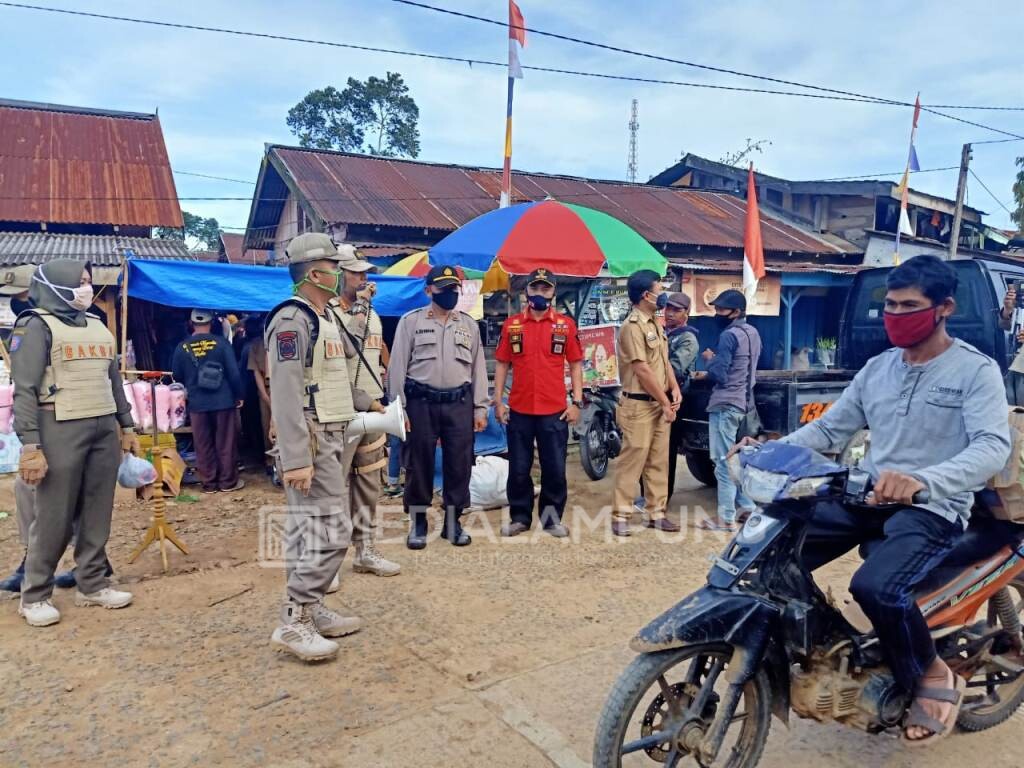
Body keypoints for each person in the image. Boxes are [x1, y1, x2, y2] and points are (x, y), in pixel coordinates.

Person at [736, 255, 1010, 745]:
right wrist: (771, 450)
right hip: (868, 496)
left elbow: (991, 447)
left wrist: (923, 481)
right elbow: (829, 428)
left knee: (877, 587)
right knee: (770, 552)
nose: (896, 315)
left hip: (933, 507)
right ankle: (835, 646)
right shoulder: (878, 368)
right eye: (890, 305)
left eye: (910, 305)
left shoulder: (975, 371)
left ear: (944, 308)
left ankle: (930, 673)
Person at [265, 232, 383, 662]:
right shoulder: (292, 321)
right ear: (315, 274)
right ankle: (294, 619)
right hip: (313, 440)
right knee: (332, 533)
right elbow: (285, 390)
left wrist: (372, 404)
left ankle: (311, 610)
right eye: (335, 268)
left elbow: (333, 380)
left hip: (333, 433)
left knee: (317, 531)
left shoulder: (324, 318)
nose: (342, 275)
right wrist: (296, 458)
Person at [12, 259, 139, 627]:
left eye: (87, 281)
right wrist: (31, 445)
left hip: (102, 424)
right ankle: (35, 594)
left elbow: (113, 380)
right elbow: (24, 390)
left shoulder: (99, 325)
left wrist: (126, 426)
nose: (86, 288)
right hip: (59, 423)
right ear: (54, 286)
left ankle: (93, 583)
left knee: (99, 509)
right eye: (79, 282)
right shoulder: (35, 325)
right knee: (53, 514)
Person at [388, 265, 489, 549]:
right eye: (443, 289)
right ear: (428, 290)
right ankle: (418, 522)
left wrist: (480, 408)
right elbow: (397, 368)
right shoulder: (411, 322)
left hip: (459, 403)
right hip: (420, 403)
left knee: (459, 464)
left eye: (454, 289)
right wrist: (399, 409)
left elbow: (478, 369)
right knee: (418, 463)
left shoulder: (468, 324)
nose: (449, 294)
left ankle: (453, 523)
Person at [494, 269, 584, 538]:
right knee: (519, 469)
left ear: (553, 292)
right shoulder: (512, 325)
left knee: (555, 468)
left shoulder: (565, 325)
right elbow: (501, 363)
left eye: (545, 289)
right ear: (526, 292)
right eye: (535, 289)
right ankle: (520, 517)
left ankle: (551, 519)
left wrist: (576, 402)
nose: (540, 294)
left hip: (555, 411)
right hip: (519, 409)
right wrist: (498, 402)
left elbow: (576, 364)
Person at [328, 245, 401, 577]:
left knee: (369, 482)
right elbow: (345, 352)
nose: (363, 278)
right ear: (338, 274)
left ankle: (365, 550)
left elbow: (377, 352)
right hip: (339, 409)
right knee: (330, 487)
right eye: (356, 272)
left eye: (365, 272)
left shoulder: (371, 312)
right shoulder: (327, 312)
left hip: (373, 409)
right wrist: (360, 307)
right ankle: (323, 565)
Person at [611, 270, 682, 536]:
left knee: (658, 461)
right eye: (660, 288)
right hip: (638, 405)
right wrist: (665, 401)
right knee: (633, 461)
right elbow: (642, 370)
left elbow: (663, 363)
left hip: (659, 404)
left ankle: (656, 512)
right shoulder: (632, 327)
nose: (663, 292)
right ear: (646, 295)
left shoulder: (655, 323)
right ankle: (621, 515)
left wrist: (673, 388)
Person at [701, 288, 761, 532]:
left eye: (721, 309)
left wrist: (708, 360)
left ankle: (725, 517)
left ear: (736, 312)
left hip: (725, 403)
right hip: (745, 403)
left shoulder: (729, 335)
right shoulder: (753, 332)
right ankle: (747, 508)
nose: (717, 313)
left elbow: (719, 373)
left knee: (722, 460)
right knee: (736, 459)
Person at [172, 309, 245, 494]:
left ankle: (209, 483)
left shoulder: (182, 347)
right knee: (226, 442)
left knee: (202, 443)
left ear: (191, 323)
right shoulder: (221, 344)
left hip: (197, 403)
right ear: (212, 323)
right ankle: (227, 482)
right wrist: (239, 395)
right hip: (223, 401)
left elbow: (177, 375)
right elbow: (234, 373)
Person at [663, 292, 698, 505]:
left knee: (667, 451)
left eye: (676, 310)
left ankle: (663, 498)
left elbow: (676, 369)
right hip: (655, 396)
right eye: (668, 308)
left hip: (674, 399)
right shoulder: (662, 333)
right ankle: (647, 494)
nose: (670, 313)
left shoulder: (687, 338)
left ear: (687, 313)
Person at [243, 315, 274, 475]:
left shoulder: (281, 342)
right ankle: (270, 461)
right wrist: (265, 396)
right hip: (266, 390)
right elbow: (256, 372)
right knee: (267, 425)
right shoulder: (256, 345)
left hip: (283, 389)